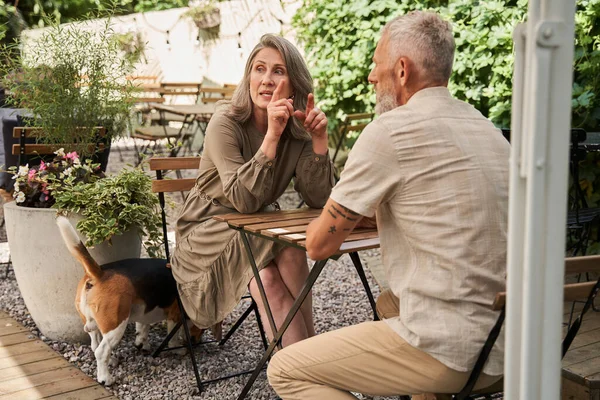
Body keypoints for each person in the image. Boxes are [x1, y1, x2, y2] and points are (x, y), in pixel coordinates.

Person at [267, 10, 509, 399]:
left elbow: (319, 245)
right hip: (508, 342)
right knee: (389, 302)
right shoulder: (486, 127)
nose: (369, 77)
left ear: (401, 70)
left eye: (376, 65)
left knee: (286, 369)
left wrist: (341, 219)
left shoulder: (390, 131)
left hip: (452, 350)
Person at [170, 34, 334, 346]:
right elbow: (243, 201)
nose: (266, 80)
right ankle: (308, 368)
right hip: (206, 235)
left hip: (256, 227)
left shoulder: (296, 130)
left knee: (289, 254)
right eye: (259, 69)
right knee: (271, 275)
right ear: (248, 76)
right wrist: (272, 136)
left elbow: (320, 200)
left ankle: (309, 363)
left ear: (295, 84)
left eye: (278, 71)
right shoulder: (225, 122)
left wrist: (319, 141)